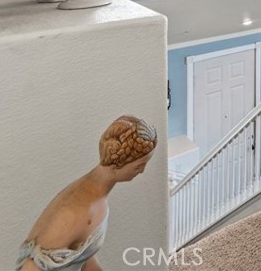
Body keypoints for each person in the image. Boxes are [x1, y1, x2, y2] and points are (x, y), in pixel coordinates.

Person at [16, 116, 157, 271]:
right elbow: (32, 265)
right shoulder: (84, 209)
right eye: (138, 166)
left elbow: (81, 255)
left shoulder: (93, 194)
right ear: (118, 163)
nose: (142, 171)